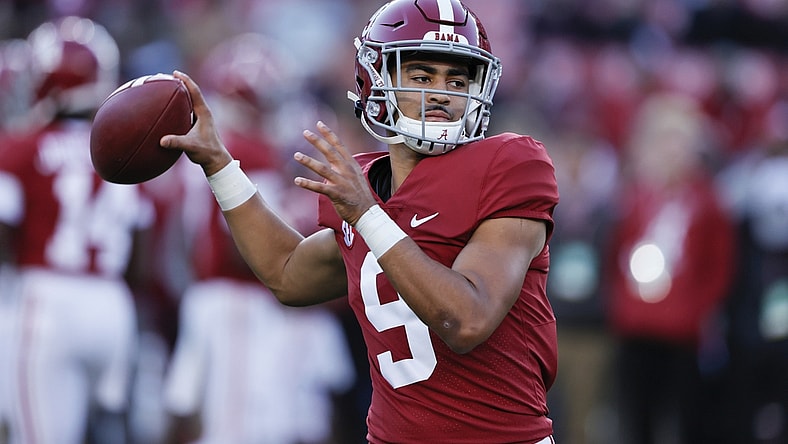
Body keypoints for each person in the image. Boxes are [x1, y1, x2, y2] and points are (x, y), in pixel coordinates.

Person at [161, 0, 560, 442]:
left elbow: (466, 320)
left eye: (458, 78)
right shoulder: (368, 182)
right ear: (377, 80)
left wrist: (368, 214)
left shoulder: (508, 163)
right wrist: (220, 165)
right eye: (422, 76)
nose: (443, 93)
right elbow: (287, 275)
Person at [162, 33, 355, 444]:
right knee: (240, 427)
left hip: (206, 294)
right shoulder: (254, 151)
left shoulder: (212, 146)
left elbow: (177, 240)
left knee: (196, 416)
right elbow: (246, 241)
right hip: (244, 300)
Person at [0, 17, 153, 444]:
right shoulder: (126, 153)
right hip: (112, 306)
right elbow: (140, 258)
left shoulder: (22, 146)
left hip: (46, 300)